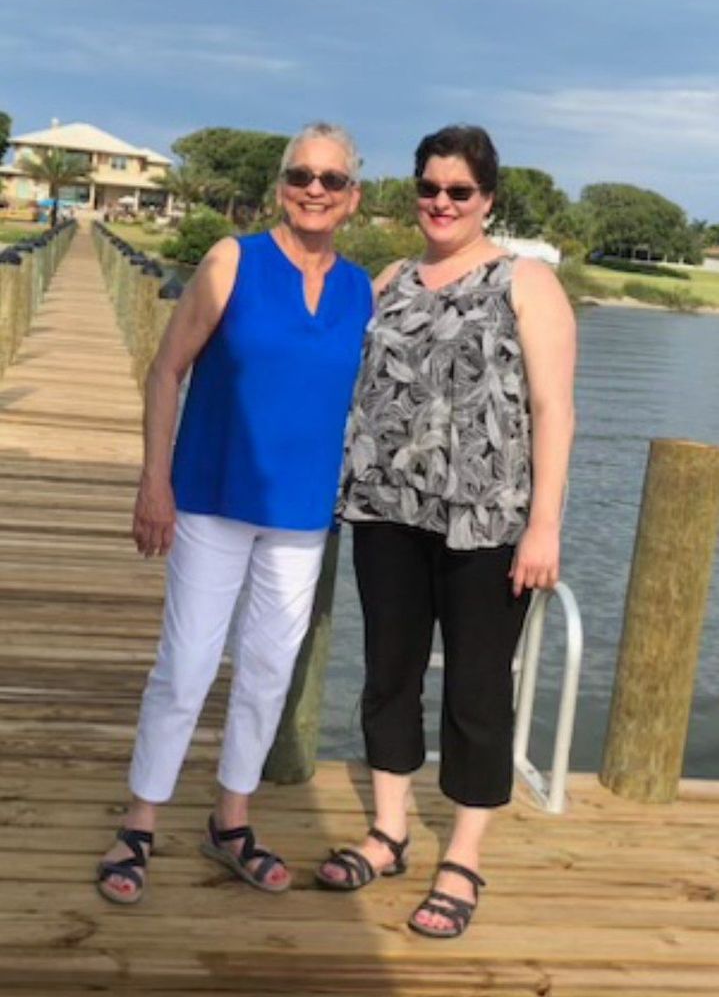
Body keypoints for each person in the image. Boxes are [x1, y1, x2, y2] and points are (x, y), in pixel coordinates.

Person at [96, 122, 372, 904]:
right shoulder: (232, 260)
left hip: (300, 512)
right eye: (300, 175)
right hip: (211, 496)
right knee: (186, 666)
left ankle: (231, 822)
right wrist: (154, 481)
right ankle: (139, 823)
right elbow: (165, 370)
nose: (313, 189)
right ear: (280, 186)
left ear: (352, 198)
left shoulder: (363, 289)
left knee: (268, 669)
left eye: (330, 179)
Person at [316, 125, 576, 938]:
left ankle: (462, 856)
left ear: (485, 199)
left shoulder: (525, 281)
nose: (440, 202)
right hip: (387, 511)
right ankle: (389, 831)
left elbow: (553, 409)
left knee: (476, 690)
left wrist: (543, 525)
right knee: (388, 674)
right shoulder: (391, 279)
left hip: (486, 522)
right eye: (428, 187)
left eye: (458, 190)